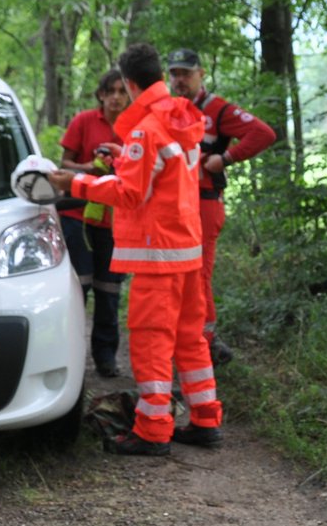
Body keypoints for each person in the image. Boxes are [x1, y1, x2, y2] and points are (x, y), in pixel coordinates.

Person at [42, 43, 223, 456]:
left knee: (151, 341)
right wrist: (127, 157)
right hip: (187, 249)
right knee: (189, 339)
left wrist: (73, 183)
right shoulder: (181, 116)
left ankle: (153, 429)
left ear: (129, 82)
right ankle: (205, 419)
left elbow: (129, 194)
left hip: (156, 253)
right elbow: (168, 175)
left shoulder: (146, 129)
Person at [165, 48, 278, 365]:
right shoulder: (169, 109)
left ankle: (206, 344)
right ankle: (188, 341)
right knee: (179, 277)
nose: (179, 80)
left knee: (198, 276)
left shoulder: (216, 108)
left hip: (204, 204)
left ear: (201, 73)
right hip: (175, 206)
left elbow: (263, 133)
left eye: (186, 73)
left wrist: (225, 159)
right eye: (174, 73)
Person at [58, 69, 131, 377]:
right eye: (110, 91)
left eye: (121, 91)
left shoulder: (136, 128)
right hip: (77, 215)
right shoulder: (84, 121)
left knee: (109, 288)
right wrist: (90, 168)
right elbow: (65, 164)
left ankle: (105, 357)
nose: (116, 97)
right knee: (80, 286)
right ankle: (68, 354)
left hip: (116, 221)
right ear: (101, 94)